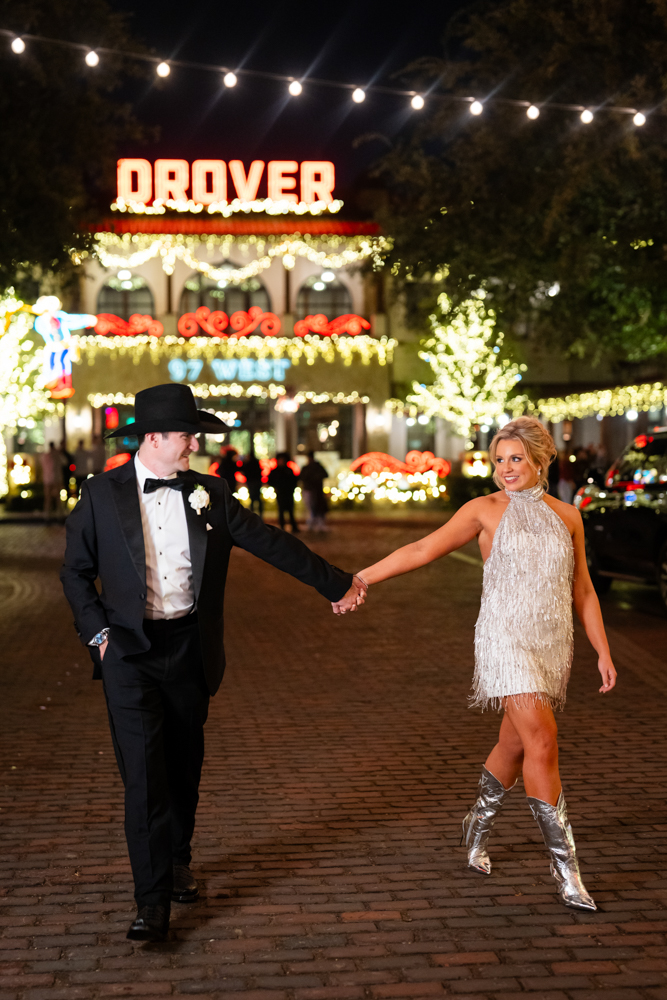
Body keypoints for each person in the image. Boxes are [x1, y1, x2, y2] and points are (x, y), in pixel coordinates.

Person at [60, 384, 366, 943]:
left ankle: (178, 858)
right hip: (128, 650)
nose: (194, 443)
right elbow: (74, 572)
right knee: (145, 778)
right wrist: (98, 633)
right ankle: (151, 904)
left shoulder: (211, 494)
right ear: (153, 438)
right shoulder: (101, 494)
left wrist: (337, 582)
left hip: (189, 648)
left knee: (183, 763)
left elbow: (271, 542)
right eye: (185, 434)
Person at [344, 417, 616, 912]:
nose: (506, 469)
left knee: (514, 745)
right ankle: (567, 870)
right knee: (542, 740)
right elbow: (424, 548)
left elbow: (583, 590)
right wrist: (361, 578)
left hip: (551, 643)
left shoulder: (568, 516)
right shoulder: (483, 510)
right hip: (504, 639)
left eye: (516, 459)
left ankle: (476, 825)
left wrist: (603, 651)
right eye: (499, 460)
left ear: (540, 460)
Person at [268, 452, 300, 532]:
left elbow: (294, 480)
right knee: (281, 510)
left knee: (290, 510)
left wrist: (292, 488)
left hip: (288, 493)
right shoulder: (275, 471)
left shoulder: (288, 470)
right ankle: (282, 527)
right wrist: (276, 487)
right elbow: (270, 480)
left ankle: (294, 526)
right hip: (280, 493)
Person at [299, 451, 328, 531]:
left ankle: (317, 523)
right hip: (309, 490)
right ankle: (312, 523)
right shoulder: (307, 468)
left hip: (316, 490)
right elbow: (302, 477)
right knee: (310, 508)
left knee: (316, 507)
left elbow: (325, 474)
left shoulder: (317, 467)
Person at [40, 441, 60, 520]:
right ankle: (58, 514)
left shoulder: (45, 456)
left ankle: (47, 514)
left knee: (48, 498)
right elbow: (64, 462)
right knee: (57, 498)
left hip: (47, 479)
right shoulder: (56, 455)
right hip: (55, 479)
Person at [242, 447, 264, 518]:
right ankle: (260, 514)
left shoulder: (248, 463)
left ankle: (252, 514)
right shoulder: (256, 462)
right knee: (258, 498)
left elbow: (244, 471)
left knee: (252, 498)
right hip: (257, 482)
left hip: (251, 482)